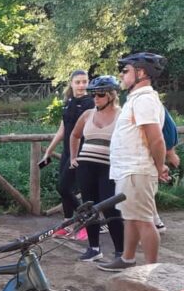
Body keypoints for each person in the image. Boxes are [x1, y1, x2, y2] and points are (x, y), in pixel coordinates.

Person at [98, 52, 169, 272]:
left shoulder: (145, 99)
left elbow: (155, 138)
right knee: (131, 216)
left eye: (126, 70)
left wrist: (159, 166)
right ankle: (127, 259)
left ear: (142, 73)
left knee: (144, 220)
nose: (122, 74)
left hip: (137, 170)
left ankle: (151, 271)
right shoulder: (137, 99)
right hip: (129, 170)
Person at [68, 75, 125, 261]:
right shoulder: (87, 114)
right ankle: (94, 248)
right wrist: (74, 157)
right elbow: (74, 135)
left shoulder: (122, 115)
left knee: (111, 208)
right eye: (93, 95)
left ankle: (120, 252)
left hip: (109, 167)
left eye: (100, 94)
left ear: (111, 95)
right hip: (86, 166)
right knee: (88, 207)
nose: (95, 98)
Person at [41, 70, 94, 240]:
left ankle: (86, 222)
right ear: (71, 83)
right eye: (78, 82)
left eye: (84, 82)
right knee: (65, 189)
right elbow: (62, 129)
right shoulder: (68, 102)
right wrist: (49, 150)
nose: (81, 85)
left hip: (82, 152)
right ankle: (67, 224)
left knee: (65, 187)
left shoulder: (90, 103)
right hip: (66, 151)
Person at [153, 108, 180, 233]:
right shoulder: (172, 139)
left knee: (147, 191)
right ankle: (156, 222)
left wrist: (160, 166)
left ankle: (155, 223)